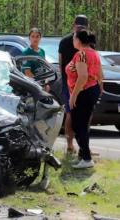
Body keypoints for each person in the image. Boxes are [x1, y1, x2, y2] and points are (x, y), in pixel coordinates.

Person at [67, 30, 102, 169]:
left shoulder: (81, 54)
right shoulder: (94, 53)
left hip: (83, 92)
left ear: (79, 40)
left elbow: (82, 77)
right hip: (90, 91)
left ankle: (86, 158)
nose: (72, 40)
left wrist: (74, 95)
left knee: (78, 125)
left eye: (74, 38)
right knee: (81, 125)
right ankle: (84, 156)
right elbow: (100, 75)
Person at [58, 15, 88, 155]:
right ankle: (72, 145)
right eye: (80, 26)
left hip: (76, 81)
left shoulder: (64, 41)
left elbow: (60, 63)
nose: (80, 28)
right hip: (76, 82)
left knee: (74, 113)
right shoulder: (83, 40)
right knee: (74, 113)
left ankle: (75, 145)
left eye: (82, 27)